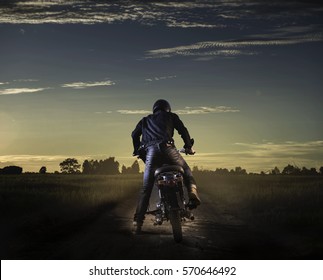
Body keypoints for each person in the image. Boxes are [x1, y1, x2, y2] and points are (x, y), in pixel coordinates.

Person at [131, 99, 201, 233]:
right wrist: (188, 147)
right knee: (186, 170)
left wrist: (136, 150)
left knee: (146, 188)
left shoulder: (145, 120)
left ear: (154, 109)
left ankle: (138, 222)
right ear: (167, 109)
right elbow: (183, 131)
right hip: (168, 149)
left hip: (151, 153)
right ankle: (192, 192)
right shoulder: (171, 116)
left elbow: (134, 134)